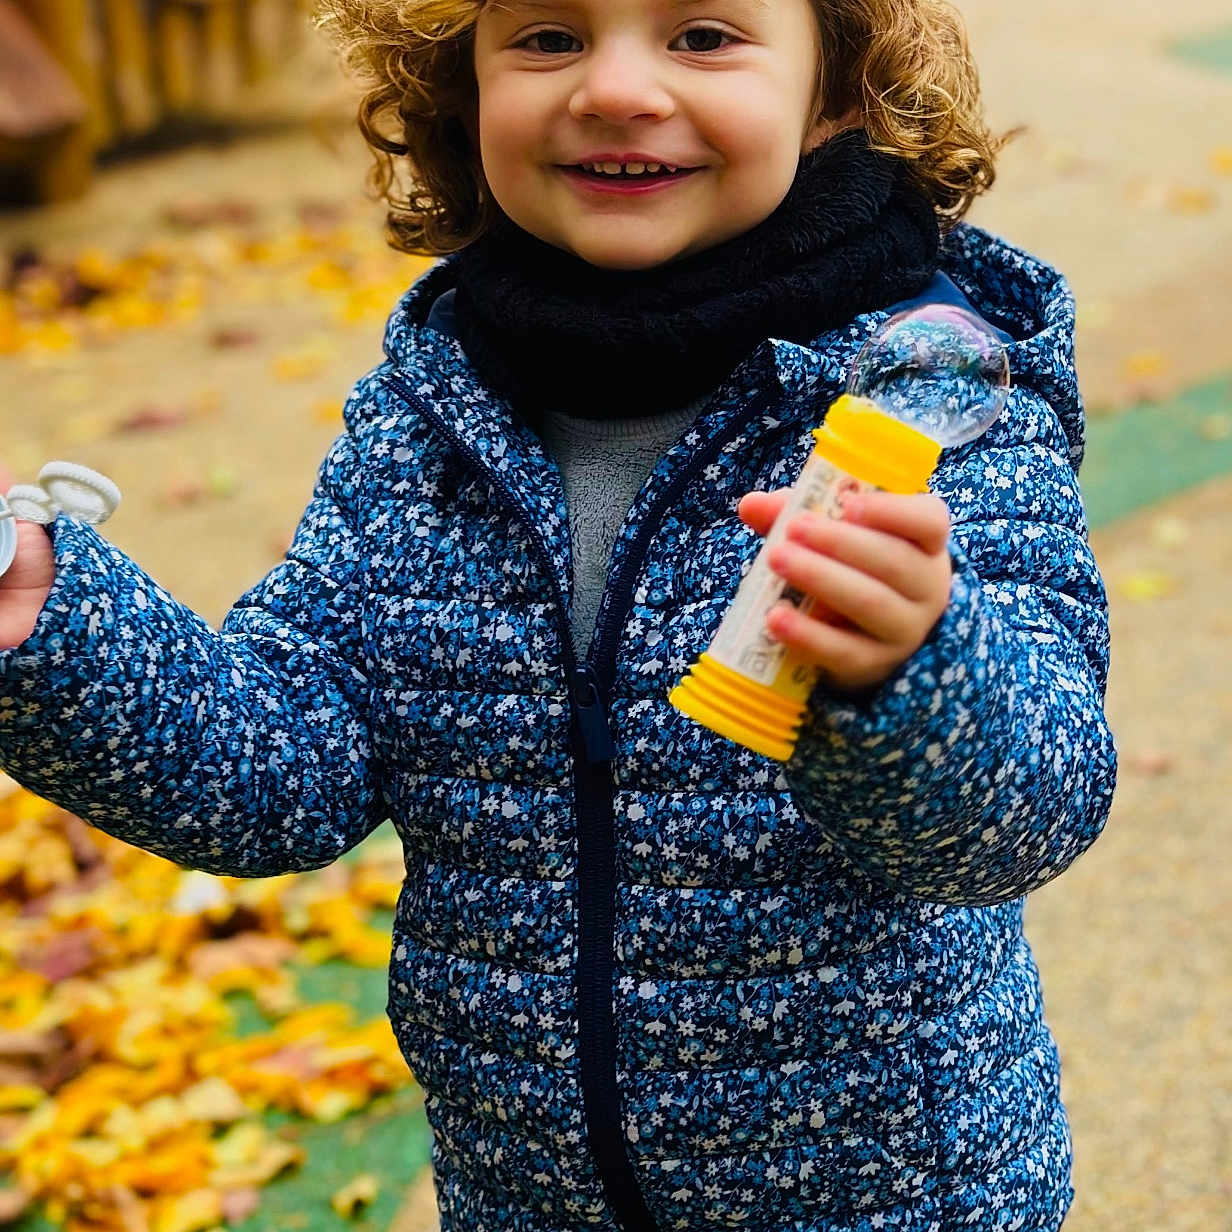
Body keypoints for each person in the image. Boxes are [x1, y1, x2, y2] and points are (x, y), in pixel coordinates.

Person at [0, 0, 1118, 1227]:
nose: (617, 89)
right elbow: (282, 769)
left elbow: (1027, 812)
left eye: (701, 36)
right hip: (527, 1195)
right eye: (545, 37)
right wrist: (49, 624)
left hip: (890, 1196)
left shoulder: (921, 409)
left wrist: (914, 664)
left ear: (838, 89)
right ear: (459, 91)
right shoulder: (429, 415)